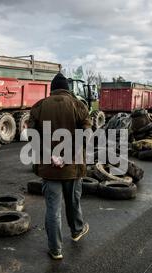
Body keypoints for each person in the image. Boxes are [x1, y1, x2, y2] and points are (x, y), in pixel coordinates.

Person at [28, 73, 92, 260]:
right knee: (73, 202)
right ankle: (77, 231)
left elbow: (32, 136)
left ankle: (55, 250)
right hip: (72, 167)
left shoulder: (39, 106)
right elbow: (88, 134)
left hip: (49, 168)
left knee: (52, 209)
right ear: (67, 89)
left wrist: (51, 156)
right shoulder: (78, 105)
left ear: (52, 89)